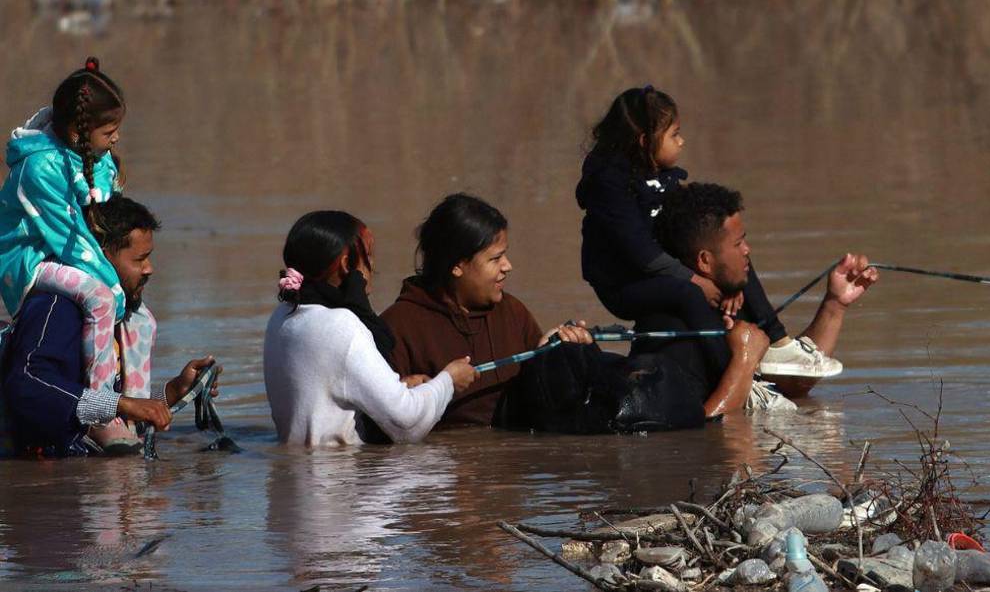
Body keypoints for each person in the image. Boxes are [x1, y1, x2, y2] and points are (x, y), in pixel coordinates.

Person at [575, 86, 841, 382]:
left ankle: (779, 342)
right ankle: (735, 375)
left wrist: (730, 281)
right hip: (625, 285)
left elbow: (686, 231)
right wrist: (696, 281)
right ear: (644, 141)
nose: (682, 141)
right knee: (687, 293)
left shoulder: (660, 175)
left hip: (664, 269)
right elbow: (641, 253)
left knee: (735, 255)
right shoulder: (609, 187)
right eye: (675, 134)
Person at [634, 182, 878, 417]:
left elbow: (793, 386)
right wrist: (745, 359)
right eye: (738, 243)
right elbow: (695, 427)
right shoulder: (671, 332)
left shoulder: (733, 301)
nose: (747, 250)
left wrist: (835, 304)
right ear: (705, 261)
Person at [0, 195, 218, 457]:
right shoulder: (56, 308)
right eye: (139, 259)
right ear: (101, 257)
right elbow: (27, 384)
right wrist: (120, 405)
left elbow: (113, 403)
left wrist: (174, 391)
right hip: (42, 469)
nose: (149, 269)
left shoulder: (119, 315)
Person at [0, 58, 144, 447]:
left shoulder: (96, 156)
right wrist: (115, 286)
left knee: (142, 318)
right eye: (109, 131)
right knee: (101, 297)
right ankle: (101, 411)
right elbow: (72, 237)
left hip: (68, 249)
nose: (116, 138)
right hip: (31, 258)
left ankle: (136, 410)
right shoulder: (38, 168)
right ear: (79, 131)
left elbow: (106, 216)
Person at [263, 210, 477, 446]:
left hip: (297, 467)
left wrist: (401, 387)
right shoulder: (342, 326)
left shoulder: (282, 317)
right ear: (346, 264)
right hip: (341, 469)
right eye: (369, 255)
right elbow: (407, 425)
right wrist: (448, 381)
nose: (372, 265)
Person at [381, 194, 592, 427]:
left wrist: (551, 352)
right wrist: (406, 391)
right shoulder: (397, 325)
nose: (508, 266)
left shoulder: (513, 311)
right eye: (496, 258)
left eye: (505, 255)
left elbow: (537, 396)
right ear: (457, 265)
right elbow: (381, 417)